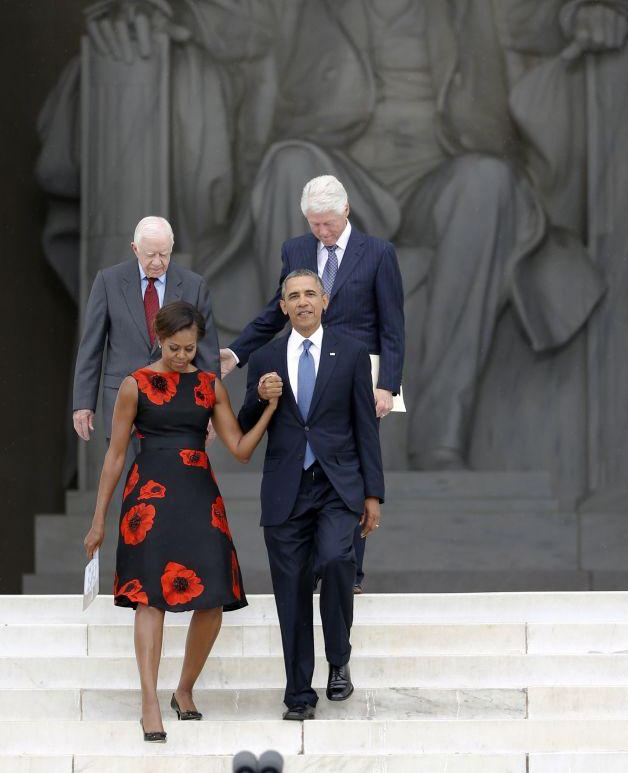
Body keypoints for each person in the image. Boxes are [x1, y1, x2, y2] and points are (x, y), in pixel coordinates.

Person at [38, 0, 628, 470]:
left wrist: (585, 15)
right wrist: (153, 9)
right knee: (295, 164)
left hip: (441, 180)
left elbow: (552, 8)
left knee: (489, 179)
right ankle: (303, 416)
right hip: (337, 175)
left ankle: (441, 434)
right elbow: (212, 17)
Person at [83, 300, 280, 741]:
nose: (183, 356)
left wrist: (268, 409)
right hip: (148, 499)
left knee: (214, 595)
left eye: (190, 349)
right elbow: (115, 455)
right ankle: (149, 700)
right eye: (175, 347)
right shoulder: (135, 384)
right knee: (150, 598)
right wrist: (98, 519)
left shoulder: (211, 386)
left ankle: (184, 689)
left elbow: (241, 449)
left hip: (198, 496)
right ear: (159, 336)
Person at [221, 173, 404, 592]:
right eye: (314, 224)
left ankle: (348, 570)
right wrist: (237, 352)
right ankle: (312, 557)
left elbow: (393, 325)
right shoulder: (296, 250)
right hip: (304, 366)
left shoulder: (378, 253)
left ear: (346, 211)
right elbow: (276, 310)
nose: (322, 232)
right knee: (305, 451)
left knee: (353, 460)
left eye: (328, 224)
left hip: (358, 375)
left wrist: (387, 385)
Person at [237, 269, 384, 721]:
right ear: (282, 307)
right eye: (292, 296)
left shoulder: (353, 352)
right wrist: (262, 398)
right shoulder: (264, 358)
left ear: (324, 301)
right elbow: (244, 426)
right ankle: (299, 695)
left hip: (338, 486)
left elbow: (366, 427)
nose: (301, 302)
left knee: (339, 559)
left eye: (309, 294)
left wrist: (373, 494)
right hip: (286, 491)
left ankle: (338, 657)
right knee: (292, 591)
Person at [73, 215, 220, 444]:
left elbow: (208, 354)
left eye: (164, 254)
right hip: (123, 404)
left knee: (170, 478)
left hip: (178, 407)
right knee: (126, 479)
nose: (158, 262)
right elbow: (91, 348)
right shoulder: (108, 281)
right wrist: (83, 403)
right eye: (150, 255)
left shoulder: (194, 285)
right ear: (135, 249)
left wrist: (211, 407)